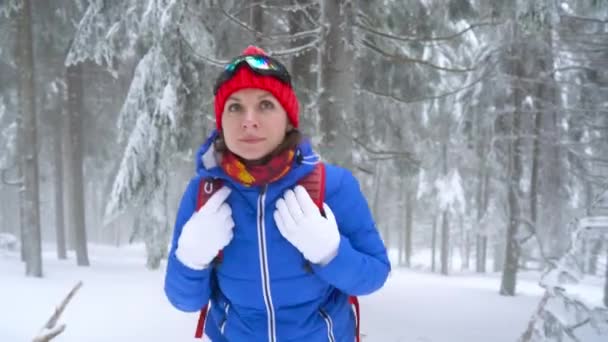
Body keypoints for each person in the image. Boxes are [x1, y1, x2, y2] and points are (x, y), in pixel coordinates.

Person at [164, 45, 390, 342]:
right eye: (234, 107)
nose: (249, 120)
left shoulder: (332, 185)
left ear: (288, 119)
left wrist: (330, 253)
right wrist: (192, 257)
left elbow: (374, 274)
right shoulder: (204, 194)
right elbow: (185, 301)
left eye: (266, 105)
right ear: (221, 122)